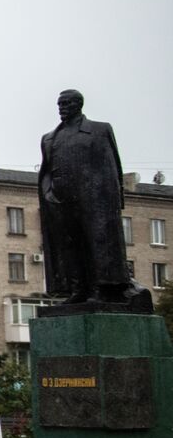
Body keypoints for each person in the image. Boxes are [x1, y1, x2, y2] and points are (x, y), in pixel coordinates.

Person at [38, 89, 149, 306]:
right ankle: (78, 289)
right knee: (69, 247)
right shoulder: (50, 138)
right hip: (61, 203)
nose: (62, 108)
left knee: (97, 245)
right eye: (60, 104)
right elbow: (47, 171)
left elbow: (110, 167)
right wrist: (48, 193)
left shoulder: (99, 130)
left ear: (79, 104)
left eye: (67, 103)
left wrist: (111, 200)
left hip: (93, 201)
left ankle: (101, 289)